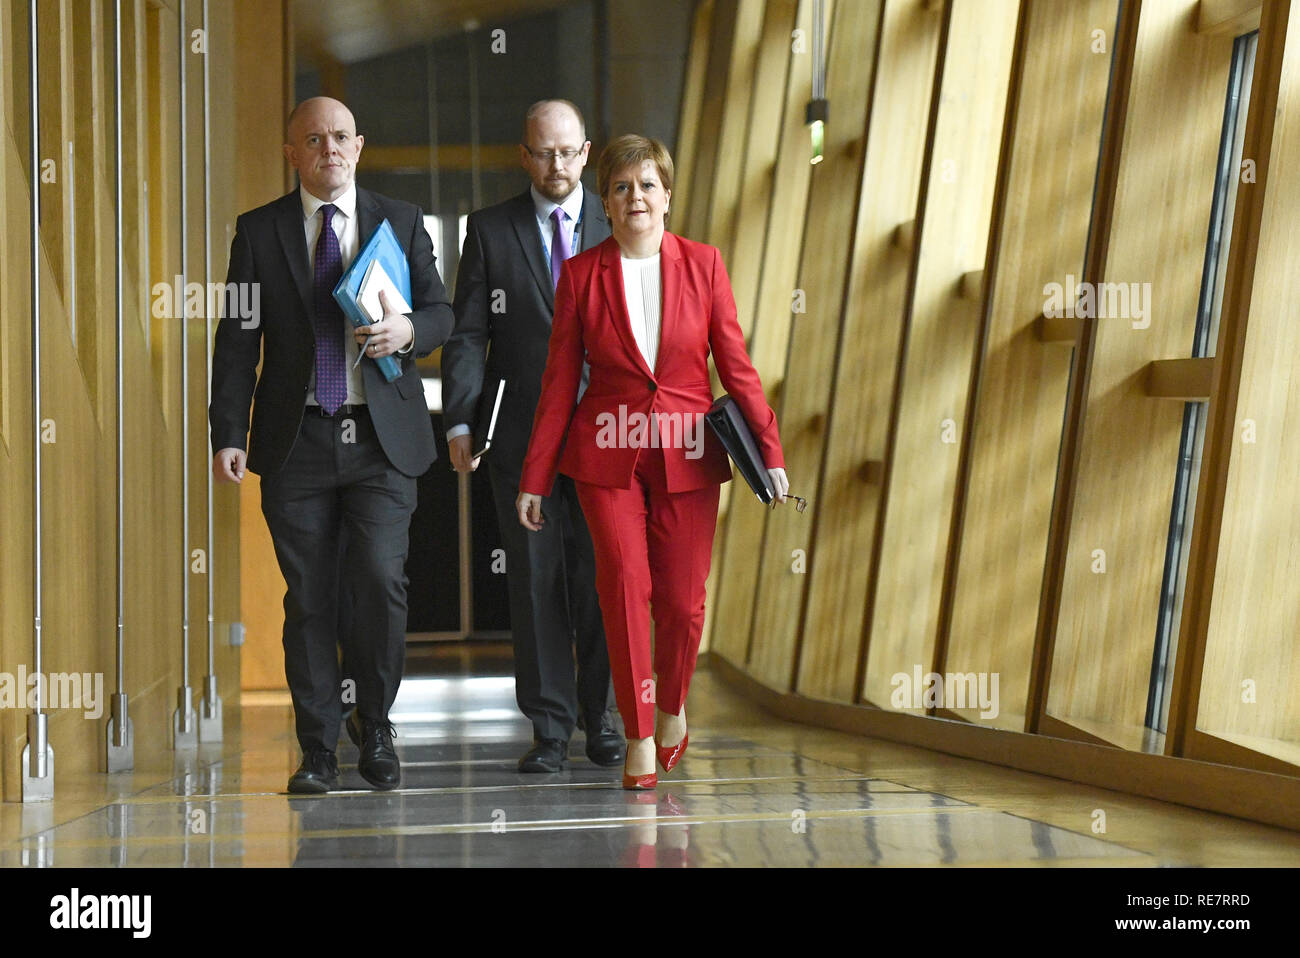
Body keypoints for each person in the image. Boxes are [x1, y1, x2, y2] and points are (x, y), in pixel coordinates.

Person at [516, 134, 790, 789]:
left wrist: (770, 453)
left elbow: (737, 367)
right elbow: (558, 383)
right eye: (620, 187)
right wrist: (535, 476)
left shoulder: (704, 265)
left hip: (689, 455)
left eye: (646, 185)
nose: (634, 196)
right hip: (605, 459)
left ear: (666, 196)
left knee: (682, 601)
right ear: (604, 203)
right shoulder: (581, 276)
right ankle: (638, 733)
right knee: (622, 589)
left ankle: (672, 706)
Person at [210, 97, 454, 793]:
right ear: (292, 153)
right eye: (314, 140)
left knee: (380, 581)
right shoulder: (258, 232)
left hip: (383, 438)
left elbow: (442, 311)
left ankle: (374, 726)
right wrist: (229, 431)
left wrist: (409, 331)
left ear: (360, 144)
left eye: (342, 137)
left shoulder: (400, 222)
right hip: (298, 440)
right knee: (309, 597)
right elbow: (237, 342)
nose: (330, 149)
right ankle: (317, 748)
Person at [442, 99, 623, 773]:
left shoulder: (620, 220)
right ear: (524, 156)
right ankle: (549, 729)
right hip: (521, 442)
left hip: (609, 440)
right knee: (535, 583)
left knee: (604, 580)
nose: (558, 165)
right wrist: (461, 417)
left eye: (570, 152)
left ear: (587, 151)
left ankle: (600, 717)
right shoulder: (489, 231)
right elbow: (467, 333)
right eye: (544, 152)